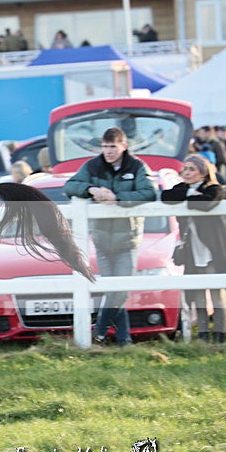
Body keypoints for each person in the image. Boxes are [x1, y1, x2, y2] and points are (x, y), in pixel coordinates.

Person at [63, 127, 156, 346]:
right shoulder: (93, 166)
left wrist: (118, 197)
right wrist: (92, 190)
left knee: (120, 292)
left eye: (113, 146)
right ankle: (124, 339)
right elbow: (70, 186)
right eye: (105, 146)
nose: (108, 151)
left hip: (128, 240)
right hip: (102, 240)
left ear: (123, 146)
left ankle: (100, 331)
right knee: (113, 291)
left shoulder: (137, 166)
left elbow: (150, 193)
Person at [161, 154, 226, 343]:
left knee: (215, 293)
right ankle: (203, 334)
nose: (186, 173)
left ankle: (219, 333)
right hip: (191, 250)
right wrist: (189, 195)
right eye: (184, 169)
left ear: (202, 173)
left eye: (191, 169)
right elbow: (166, 197)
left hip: (212, 250)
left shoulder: (214, 188)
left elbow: (208, 202)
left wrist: (192, 199)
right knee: (197, 294)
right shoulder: (183, 189)